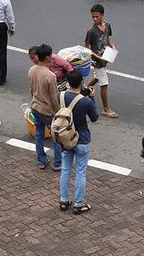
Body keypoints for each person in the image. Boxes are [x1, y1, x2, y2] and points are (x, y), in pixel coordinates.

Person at [57, 70, 98, 215]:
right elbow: (94, 118)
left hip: (65, 138)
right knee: (80, 172)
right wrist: (92, 98)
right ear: (81, 82)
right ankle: (78, 204)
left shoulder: (60, 95)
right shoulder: (85, 101)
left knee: (65, 169)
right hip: (82, 139)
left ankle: (64, 200)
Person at [27, 45, 61, 170]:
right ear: (47, 57)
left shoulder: (32, 70)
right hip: (47, 111)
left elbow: (31, 90)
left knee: (39, 135)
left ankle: (41, 160)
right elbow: (53, 98)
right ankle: (57, 162)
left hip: (35, 107)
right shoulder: (50, 76)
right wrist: (58, 112)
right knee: (56, 137)